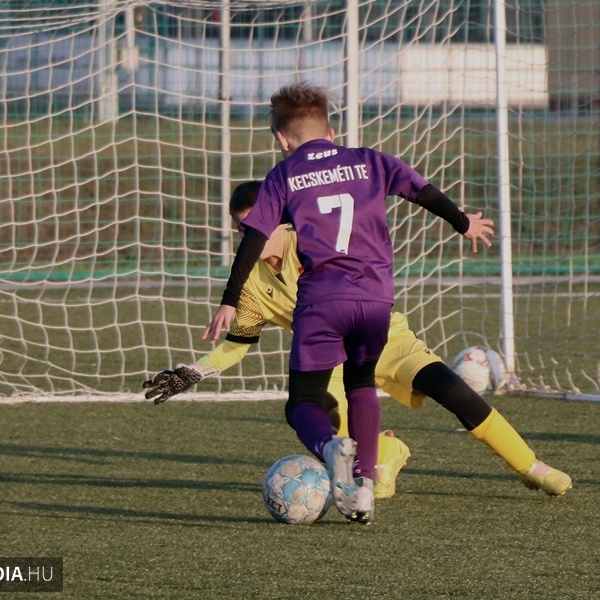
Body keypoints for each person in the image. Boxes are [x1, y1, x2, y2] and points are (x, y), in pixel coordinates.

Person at [145, 180, 573, 505]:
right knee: (323, 423)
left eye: (258, 225)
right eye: (243, 229)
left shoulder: (316, 242)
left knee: (451, 389)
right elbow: (238, 343)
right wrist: (193, 371)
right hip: (328, 361)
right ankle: (387, 452)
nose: (250, 235)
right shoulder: (251, 286)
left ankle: (530, 466)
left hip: (385, 337)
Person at [206, 82, 492, 524]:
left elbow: (255, 239)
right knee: (361, 385)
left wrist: (230, 299)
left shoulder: (283, 175)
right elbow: (424, 191)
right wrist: (462, 223)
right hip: (376, 300)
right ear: (331, 130)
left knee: (303, 401)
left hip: (323, 302)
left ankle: (328, 447)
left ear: (282, 139)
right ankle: (363, 490)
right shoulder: (370, 161)